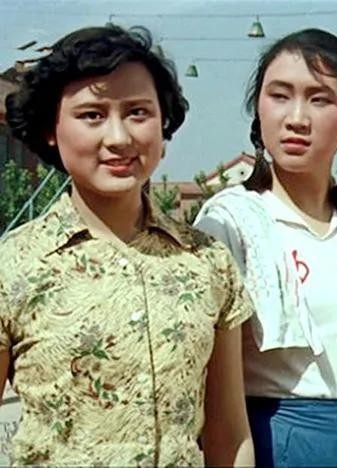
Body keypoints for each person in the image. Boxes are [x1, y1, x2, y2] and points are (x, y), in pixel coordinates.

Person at [1, 24, 254, 466]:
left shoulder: (208, 262)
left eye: (138, 112)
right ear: (50, 129)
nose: (119, 137)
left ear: (163, 125)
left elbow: (229, 435)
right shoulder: (12, 267)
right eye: (92, 115)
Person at [194, 28, 337, 467]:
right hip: (270, 440)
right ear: (258, 107)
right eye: (279, 96)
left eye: (319, 99)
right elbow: (213, 396)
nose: (296, 118)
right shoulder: (228, 224)